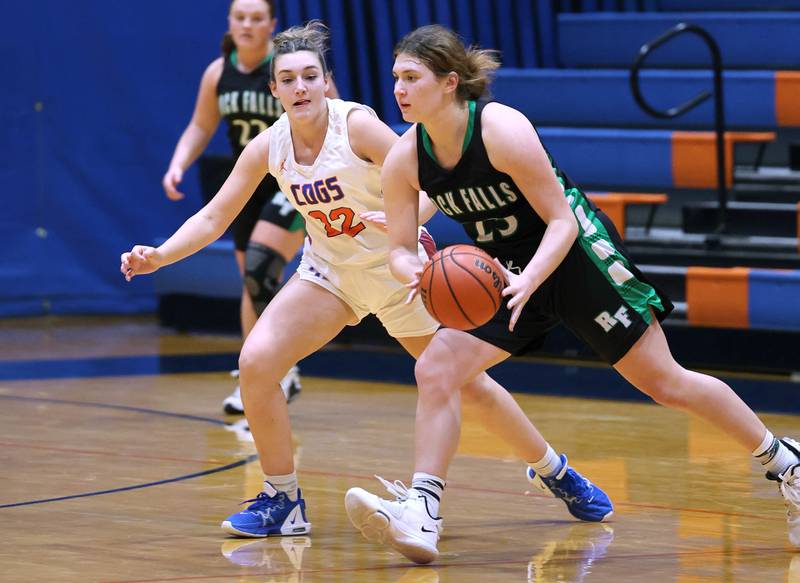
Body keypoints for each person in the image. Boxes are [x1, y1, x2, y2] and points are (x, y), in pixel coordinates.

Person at [121, 21, 611, 563]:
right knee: (257, 362)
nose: (301, 87)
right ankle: (282, 500)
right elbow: (215, 215)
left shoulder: (358, 127)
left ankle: (554, 470)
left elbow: (428, 178)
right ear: (275, 91)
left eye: (311, 75)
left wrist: (412, 221)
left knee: (470, 387)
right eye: (289, 79)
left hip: (402, 276)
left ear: (328, 82)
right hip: (330, 276)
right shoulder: (270, 146)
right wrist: (160, 255)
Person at [344, 23, 800, 562]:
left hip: (577, 257)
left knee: (665, 382)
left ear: (449, 82)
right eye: (395, 77)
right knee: (436, 368)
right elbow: (398, 246)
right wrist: (415, 271)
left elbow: (561, 221)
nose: (398, 88)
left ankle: (785, 463)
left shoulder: (502, 130)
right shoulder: (405, 158)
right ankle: (423, 511)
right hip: (501, 273)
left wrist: (531, 280)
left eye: (411, 77)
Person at [162, 0, 336, 413]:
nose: (247, 24)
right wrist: (178, 162)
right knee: (252, 281)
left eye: (257, 18)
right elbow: (202, 124)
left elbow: (332, 113)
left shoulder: (291, 68)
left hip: (293, 176)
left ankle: (279, 365)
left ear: (271, 24)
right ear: (230, 23)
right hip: (250, 177)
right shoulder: (218, 71)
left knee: (260, 262)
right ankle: (260, 372)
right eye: (240, 17)